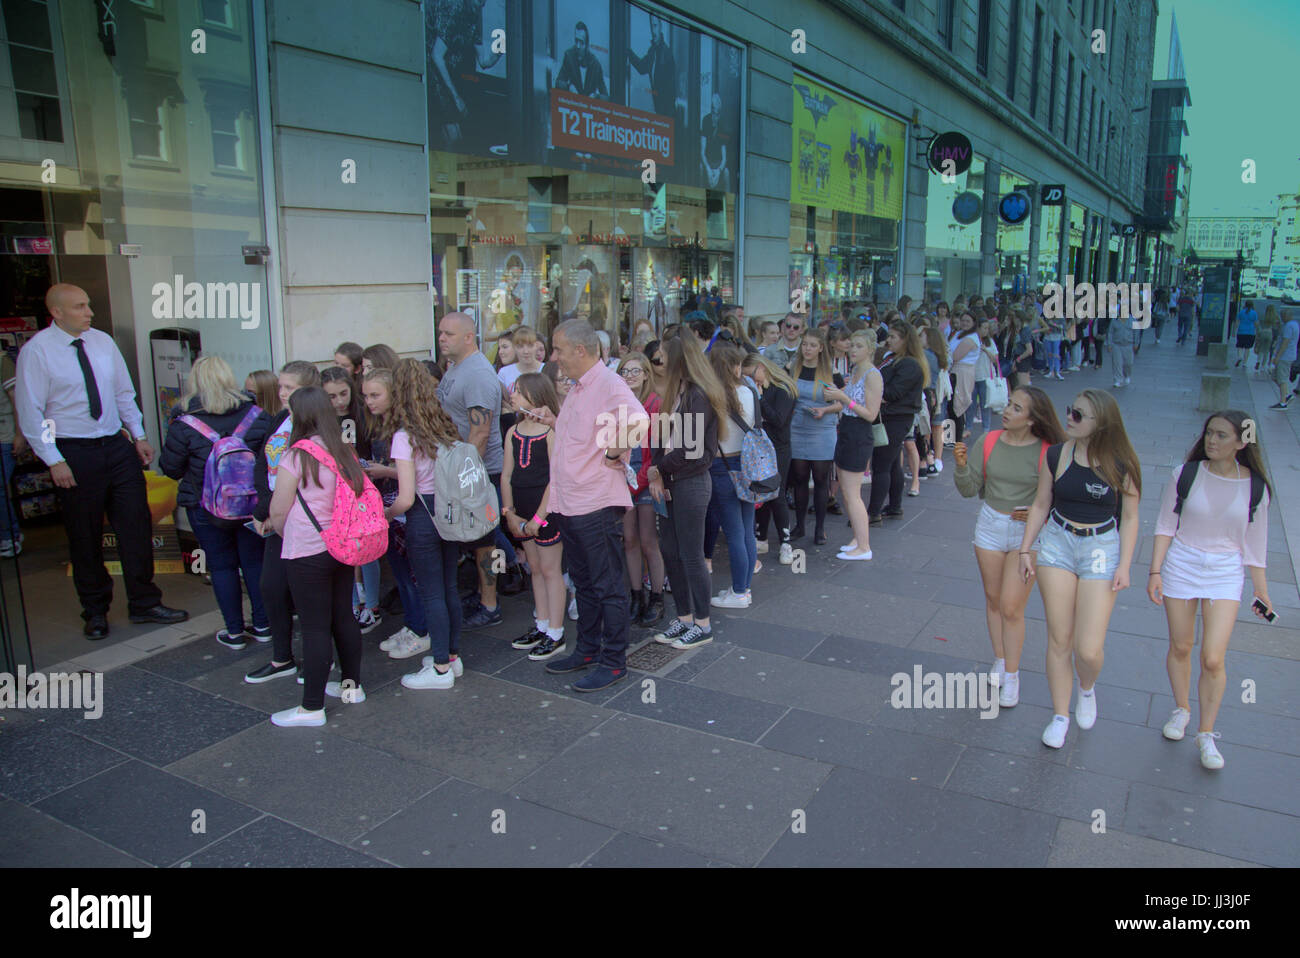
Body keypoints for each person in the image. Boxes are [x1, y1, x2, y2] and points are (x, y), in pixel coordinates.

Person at [15, 283, 188, 639]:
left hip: (115, 445)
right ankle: (95, 611)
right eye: (80, 307)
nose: (89, 312)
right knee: (85, 535)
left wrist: (138, 435)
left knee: (136, 526)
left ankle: (144, 602)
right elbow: (31, 413)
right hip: (72, 451)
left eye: (89, 305)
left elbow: (124, 393)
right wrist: (53, 459)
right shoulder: (38, 352)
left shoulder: (102, 342)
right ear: (57, 312)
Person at [520, 319, 648, 689]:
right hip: (570, 501)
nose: (554, 357)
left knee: (606, 584)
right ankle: (589, 649)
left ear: (580, 350)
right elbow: (581, 436)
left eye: (558, 350)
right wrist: (554, 421)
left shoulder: (608, 383)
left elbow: (639, 421)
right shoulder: (580, 387)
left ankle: (613, 661)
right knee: (584, 582)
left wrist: (614, 450)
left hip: (594, 502)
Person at [1149, 410, 1274, 770]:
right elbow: (1164, 525)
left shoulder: (1255, 487)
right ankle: (1182, 710)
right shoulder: (1185, 475)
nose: (1212, 441)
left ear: (1241, 442)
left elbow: (1256, 544)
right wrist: (1155, 570)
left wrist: (1261, 590)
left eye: (1221, 435)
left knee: (1213, 658)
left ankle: (1206, 733)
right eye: (1209, 433)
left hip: (1225, 570)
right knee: (1182, 645)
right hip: (1183, 563)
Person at [1019, 389, 1141, 749]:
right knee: (1059, 639)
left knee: (1088, 650)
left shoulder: (1122, 463)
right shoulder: (1057, 454)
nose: (1069, 418)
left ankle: (1086, 688)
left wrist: (1126, 564)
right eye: (1070, 410)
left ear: (1101, 424)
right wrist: (1026, 548)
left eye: (1078, 415)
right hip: (1057, 542)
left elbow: (1131, 517)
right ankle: (1060, 715)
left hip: (1101, 548)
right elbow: (1041, 503)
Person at [953, 387, 1066, 707]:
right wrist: (961, 466)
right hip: (990, 525)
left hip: (1027, 534)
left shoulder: (1049, 451)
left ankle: (1013, 677)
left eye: (1017, 408)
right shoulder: (989, 441)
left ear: (1032, 420)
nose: (1007, 410)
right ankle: (1000, 659)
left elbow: (1059, 496)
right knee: (993, 599)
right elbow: (969, 489)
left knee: (1012, 606)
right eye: (1009, 405)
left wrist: (1039, 511)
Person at [266, 387, 367, 727]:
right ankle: (353, 687)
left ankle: (311, 708)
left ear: (300, 416)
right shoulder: (343, 450)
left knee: (313, 627)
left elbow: (278, 511)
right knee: (343, 616)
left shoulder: (297, 455)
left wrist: (286, 533)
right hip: (342, 546)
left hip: (307, 549)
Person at [160, 356, 272, 649]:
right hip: (250, 504)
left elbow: (170, 469)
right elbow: (270, 460)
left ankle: (234, 633)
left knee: (221, 567)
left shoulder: (183, 422)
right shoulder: (257, 415)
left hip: (204, 506)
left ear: (195, 382)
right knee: (254, 562)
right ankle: (263, 625)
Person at [383, 360, 467, 689]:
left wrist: (386, 515)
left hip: (422, 516)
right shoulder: (444, 426)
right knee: (448, 588)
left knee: (431, 593)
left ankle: (441, 668)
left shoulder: (405, 437)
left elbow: (404, 498)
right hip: (449, 512)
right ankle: (452, 657)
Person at [243, 360, 322, 684]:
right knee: (270, 587)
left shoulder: (317, 426)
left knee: (309, 594)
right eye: (281, 387)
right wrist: (264, 508)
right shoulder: (279, 419)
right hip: (275, 517)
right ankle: (282, 658)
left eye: (289, 388)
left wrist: (271, 510)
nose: (282, 393)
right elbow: (264, 465)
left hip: (303, 521)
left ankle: (319, 658)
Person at [436, 311, 512, 629]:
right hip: (460, 464)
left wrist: (466, 476)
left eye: (449, 334)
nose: (441, 338)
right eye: (440, 332)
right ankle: (492, 587)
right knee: (482, 537)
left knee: (486, 540)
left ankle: (490, 605)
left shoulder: (478, 374)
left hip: (480, 469)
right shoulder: (456, 367)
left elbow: (480, 433)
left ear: (469, 337)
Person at [648, 334, 723, 648]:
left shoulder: (697, 395)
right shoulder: (674, 394)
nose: (659, 360)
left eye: (664, 355)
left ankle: (702, 625)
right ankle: (684, 619)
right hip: (669, 483)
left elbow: (690, 450)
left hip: (690, 483)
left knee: (691, 556)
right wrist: (657, 473)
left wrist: (658, 469)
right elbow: (659, 438)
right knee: (671, 553)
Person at [360, 367, 432, 660]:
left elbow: (414, 475)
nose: (369, 401)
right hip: (395, 507)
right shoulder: (385, 425)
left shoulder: (406, 428)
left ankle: (421, 630)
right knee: (402, 574)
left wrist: (387, 511)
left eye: (375, 395)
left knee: (412, 575)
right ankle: (413, 625)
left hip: (406, 509)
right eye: (365, 396)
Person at [502, 373, 569, 660]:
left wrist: (539, 517)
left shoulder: (551, 432)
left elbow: (555, 480)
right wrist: (509, 512)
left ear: (536, 396)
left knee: (552, 569)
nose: (512, 395)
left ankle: (556, 631)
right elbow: (506, 475)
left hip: (546, 512)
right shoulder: (513, 431)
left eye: (518, 391)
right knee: (535, 568)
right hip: (521, 511)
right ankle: (541, 624)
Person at [706, 343, 759, 608]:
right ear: (736, 366)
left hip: (721, 466)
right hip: (749, 465)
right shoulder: (749, 390)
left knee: (735, 532)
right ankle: (743, 588)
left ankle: (739, 592)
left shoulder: (711, 395)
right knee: (746, 530)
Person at [615, 353, 666, 627]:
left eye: (636, 370)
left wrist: (646, 477)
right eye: (625, 370)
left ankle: (657, 597)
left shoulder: (656, 404)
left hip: (647, 478)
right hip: (621, 480)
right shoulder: (616, 404)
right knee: (629, 540)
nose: (630, 375)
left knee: (649, 540)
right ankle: (636, 595)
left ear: (647, 373)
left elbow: (661, 448)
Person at [823, 329, 883, 559]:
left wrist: (843, 398)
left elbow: (870, 413)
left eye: (858, 346)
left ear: (870, 349)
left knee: (852, 492)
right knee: (847, 493)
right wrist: (828, 407)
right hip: (847, 429)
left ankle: (864, 547)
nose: (852, 349)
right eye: (852, 345)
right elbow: (847, 403)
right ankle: (858, 539)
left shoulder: (872, 375)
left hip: (859, 433)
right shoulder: (857, 370)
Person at [786, 328, 842, 545]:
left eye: (812, 345)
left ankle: (820, 529)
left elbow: (842, 402)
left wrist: (825, 410)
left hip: (822, 430)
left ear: (820, 348)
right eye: (804, 344)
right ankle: (799, 526)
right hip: (797, 429)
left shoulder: (831, 372)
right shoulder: (793, 368)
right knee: (799, 479)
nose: (807, 349)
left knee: (820, 480)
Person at [868, 321, 926, 524]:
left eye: (893, 337)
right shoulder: (893, 359)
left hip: (896, 419)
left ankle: (873, 513)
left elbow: (893, 393)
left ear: (905, 340)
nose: (888, 340)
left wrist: (872, 392)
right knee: (892, 464)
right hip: (890, 416)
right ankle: (894, 506)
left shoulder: (909, 364)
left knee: (882, 465)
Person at [744, 352, 796, 564]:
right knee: (762, 493)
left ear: (761, 367)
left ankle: (786, 542)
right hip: (762, 448)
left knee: (777, 493)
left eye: (751, 374)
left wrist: (760, 398)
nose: (751, 380)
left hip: (779, 448)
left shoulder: (783, 390)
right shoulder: (757, 389)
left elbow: (779, 420)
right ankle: (761, 537)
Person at [626, 13, 676, 118]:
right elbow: (642, 67)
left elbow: (671, 92)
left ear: (660, 26)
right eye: (651, 26)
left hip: (666, 113)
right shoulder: (653, 51)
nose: (653, 31)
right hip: (657, 110)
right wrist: (628, 52)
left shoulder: (667, 54)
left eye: (655, 26)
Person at [0, 347, 25, 557]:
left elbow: (17, 399)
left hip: (4, 435)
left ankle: (10, 537)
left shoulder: (3, 362)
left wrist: (19, 433)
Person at [555, 20, 608, 98]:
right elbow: (558, 83)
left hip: (589, 107)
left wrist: (596, 97)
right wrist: (569, 87)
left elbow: (606, 97)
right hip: (572, 104)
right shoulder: (569, 56)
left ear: (587, 44)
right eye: (576, 41)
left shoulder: (595, 64)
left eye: (581, 42)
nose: (578, 46)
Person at [1268, 308, 1298, 409]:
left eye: (1283, 316)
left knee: (1282, 378)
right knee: (1275, 376)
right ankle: (1287, 395)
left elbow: (1285, 342)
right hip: (1289, 355)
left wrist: (1277, 357)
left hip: (1285, 356)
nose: (1281, 318)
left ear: (1287, 316)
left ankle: (1283, 402)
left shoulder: (1289, 326)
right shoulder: (1294, 325)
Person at [1108, 306, 1135, 388]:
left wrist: (1136, 343)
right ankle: (1117, 380)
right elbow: (1110, 332)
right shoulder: (1114, 320)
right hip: (1117, 345)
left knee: (1128, 363)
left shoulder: (1132, 320)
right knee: (1117, 363)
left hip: (1128, 345)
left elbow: (1136, 332)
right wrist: (1109, 344)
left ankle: (1127, 375)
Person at [1253, 304, 1278, 374]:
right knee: (1266, 351)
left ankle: (1258, 361)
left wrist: (1258, 335)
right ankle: (1263, 366)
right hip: (1270, 333)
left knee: (1261, 349)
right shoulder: (1275, 318)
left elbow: (1258, 325)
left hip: (1263, 333)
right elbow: (1277, 328)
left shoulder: (1263, 316)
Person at [1234, 300, 1258, 368]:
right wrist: (1257, 331)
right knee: (1247, 348)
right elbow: (1256, 323)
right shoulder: (1254, 313)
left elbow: (1237, 322)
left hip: (1241, 331)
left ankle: (1240, 357)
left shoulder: (1241, 312)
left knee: (1240, 346)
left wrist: (1234, 330)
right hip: (1250, 332)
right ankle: (1245, 363)